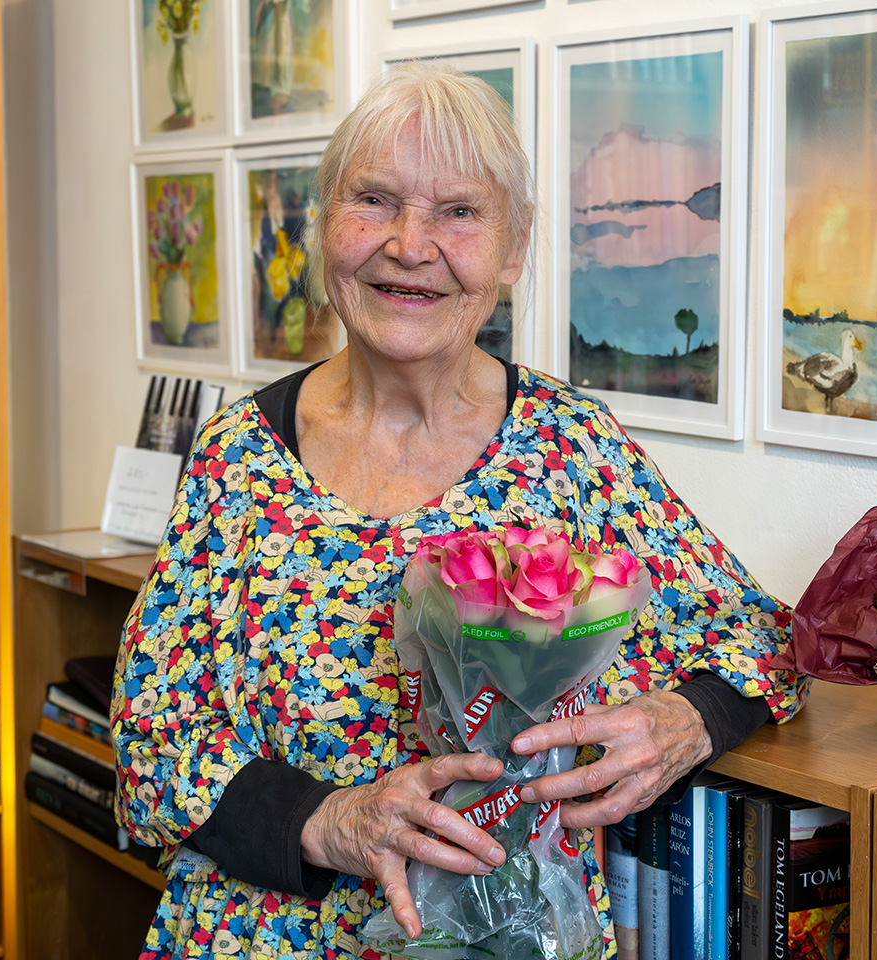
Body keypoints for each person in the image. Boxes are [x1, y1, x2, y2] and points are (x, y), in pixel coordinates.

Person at [113, 62, 808, 960]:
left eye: (458, 212)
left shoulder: (573, 446)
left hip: (509, 937)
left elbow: (758, 633)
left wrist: (686, 722)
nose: (410, 245)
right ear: (325, 224)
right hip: (262, 935)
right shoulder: (238, 456)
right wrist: (327, 820)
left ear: (513, 249)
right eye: (374, 200)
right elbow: (153, 734)